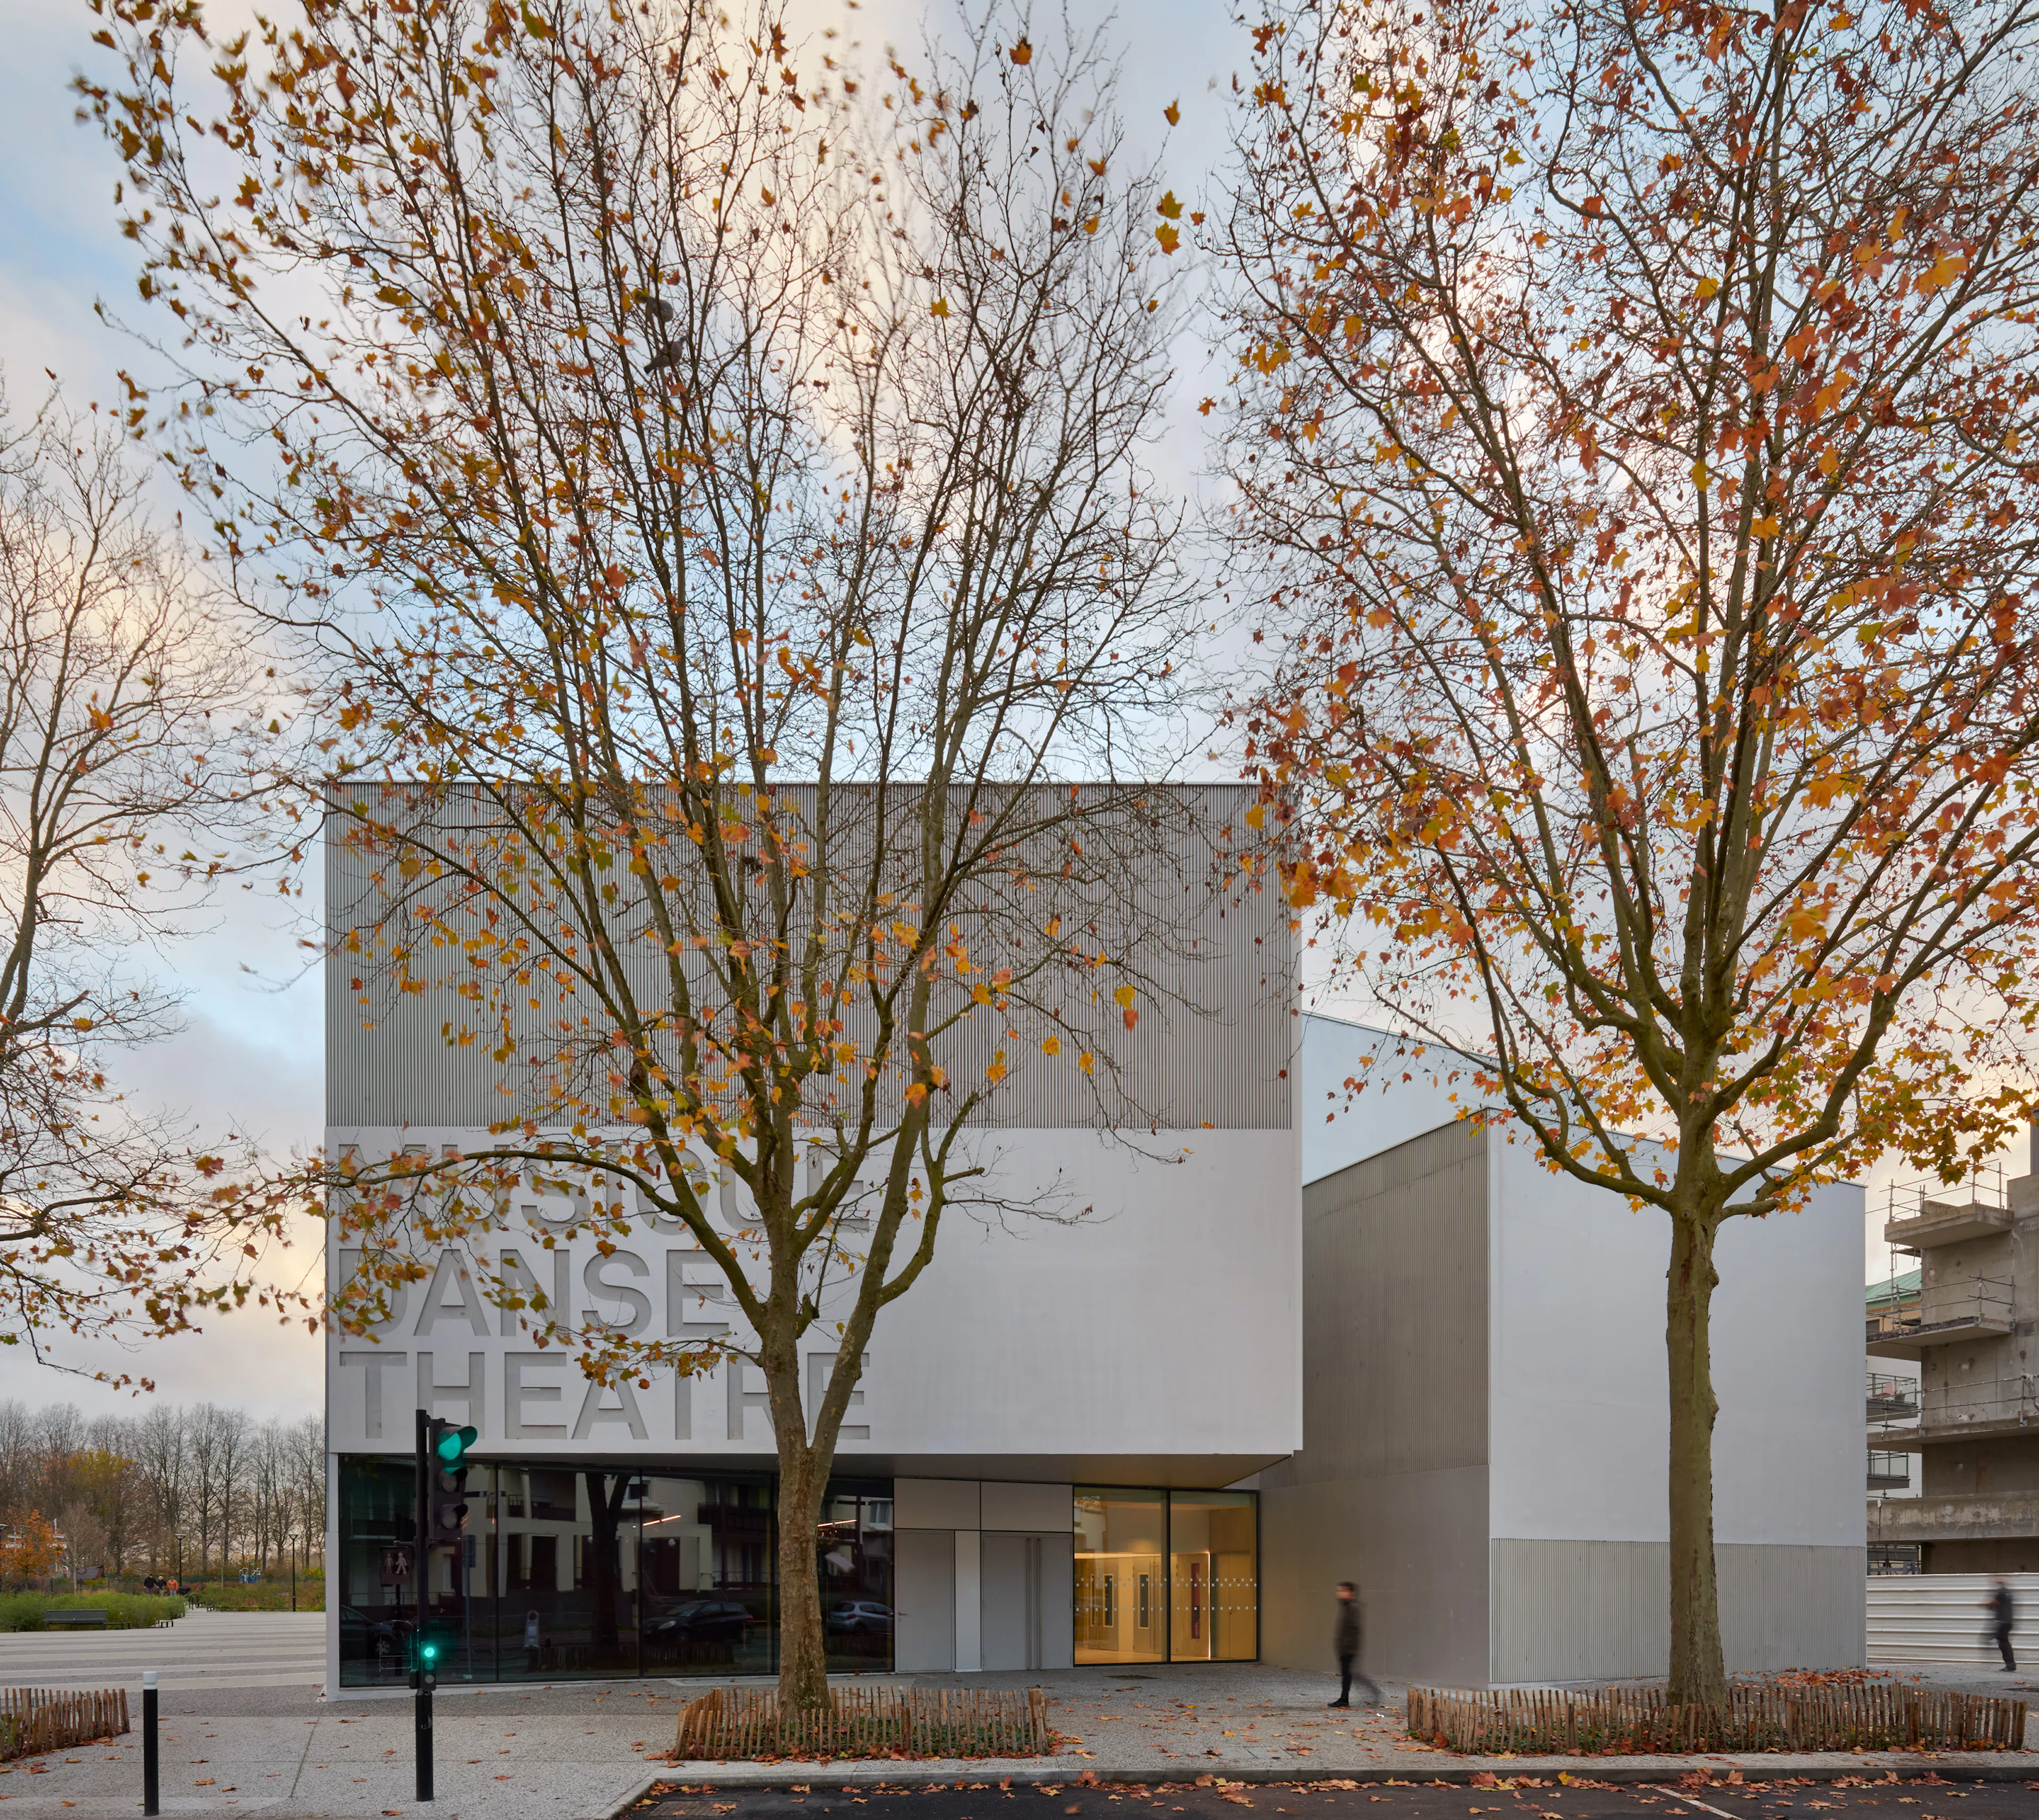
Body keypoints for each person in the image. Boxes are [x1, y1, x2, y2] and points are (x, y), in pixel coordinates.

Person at [1330, 1580, 1382, 1708]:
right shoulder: (1347, 1606)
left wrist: (1347, 1648)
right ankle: (1344, 1699)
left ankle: (1370, 1693)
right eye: (1338, 1591)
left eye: (1342, 1591)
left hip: (1349, 1648)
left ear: (1350, 1593)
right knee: (1349, 1674)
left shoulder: (1352, 1608)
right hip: (1347, 1648)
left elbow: (1354, 1630)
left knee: (1350, 1674)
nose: (1338, 1593)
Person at [1987, 1576, 2016, 1671]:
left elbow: (1993, 1604)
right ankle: (2011, 1663)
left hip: (2002, 1621)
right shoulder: (2009, 1593)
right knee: (2003, 1641)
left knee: (2003, 1642)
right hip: (2009, 1621)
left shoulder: (2000, 1593)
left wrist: (1985, 1604)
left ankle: (2010, 1664)